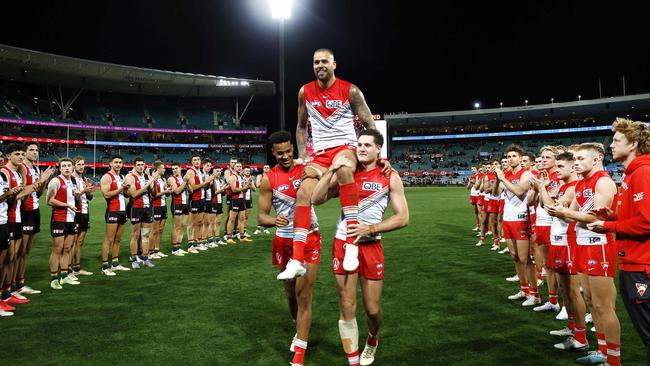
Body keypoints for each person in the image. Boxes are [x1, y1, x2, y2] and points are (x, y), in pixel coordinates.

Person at [278, 47, 382, 280]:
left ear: (334, 64)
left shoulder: (351, 90)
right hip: (320, 156)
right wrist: (304, 156)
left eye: (325, 61)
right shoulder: (305, 91)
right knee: (303, 192)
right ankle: (297, 260)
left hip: (345, 147)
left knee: (344, 167)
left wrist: (376, 155)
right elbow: (301, 126)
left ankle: (352, 244)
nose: (320, 66)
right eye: (316, 62)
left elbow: (369, 124)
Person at [311, 129, 409, 366]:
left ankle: (372, 338)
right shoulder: (347, 172)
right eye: (359, 144)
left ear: (378, 150)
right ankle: (353, 359)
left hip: (371, 245)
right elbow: (316, 198)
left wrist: (371, 229)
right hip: (343, 243)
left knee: (373, 309)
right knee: (346, 304)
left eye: (367, 145)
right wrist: (333, 169)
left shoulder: (390, 176)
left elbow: (403, 217)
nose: (362, 148)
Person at [547, 143, 620, 366]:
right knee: (590, 301)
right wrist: (560, 210)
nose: (576, 163)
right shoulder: (583, 183)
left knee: (603, 306)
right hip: (582, 244)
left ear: (596, 159)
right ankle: (602, 350)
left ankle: (614, 360)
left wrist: (566, 211)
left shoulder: (603, 181)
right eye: (575, 159)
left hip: (598, 246)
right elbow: (573, 217)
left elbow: (595, 218)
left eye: (580, 159)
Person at [588, 118, 650, 365]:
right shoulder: (632, 173)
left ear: (633, 143)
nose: (611, 145)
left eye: (616, 140)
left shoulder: (643, 172)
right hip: (633, 263)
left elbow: (646, 222)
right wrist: (615, 216)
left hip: (640, 267)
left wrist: (608, 225)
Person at [257, 131, 322, 366]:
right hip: (283, 241)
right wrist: (275, 221)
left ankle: (299, 354)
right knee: (290, 294)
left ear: (293, 148)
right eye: (279, 153)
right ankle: (300, 329)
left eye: (288, 151)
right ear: (273, 153)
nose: (285, 156)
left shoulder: (306, 169)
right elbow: (261, 217)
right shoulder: (268, 179)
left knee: (304, 294)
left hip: (309, 238)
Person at [530, 152, 588, 352]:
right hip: (558, 241)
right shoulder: (564, 187)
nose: (557, 170)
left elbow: (551, 208)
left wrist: (541, 188)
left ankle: (580, 336)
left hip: (567, 242)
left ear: (572, 168)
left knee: (573, 292)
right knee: (567, 292)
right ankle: (573, 327)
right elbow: (550, 207)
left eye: (561, 166)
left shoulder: (572, 187)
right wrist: (543, 189)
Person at [494, 144, 540, 306]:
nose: (510, 159)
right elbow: (496, 193)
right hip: (507, 218)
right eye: (508, 157)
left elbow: (520, 192)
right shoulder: (505, 174)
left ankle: (535, 294)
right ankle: (524, 289)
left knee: (524, 258)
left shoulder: (526, 173)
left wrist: (503, 179)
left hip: (521, 219)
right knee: (514, 257)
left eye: (514, 156)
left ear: (520, 158)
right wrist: (497, 178)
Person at [0, 144, 40, 307]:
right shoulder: (5, 172)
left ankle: (8, 292)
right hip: (8, 219)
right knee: (6, 259)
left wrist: (30, 187)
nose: (21, 157)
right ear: (9, 156)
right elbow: (10, 198)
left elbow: (18, 195)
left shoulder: (15, 172)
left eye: (22, 154)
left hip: (16, 217)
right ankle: (4, 294)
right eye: (17, 154)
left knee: (12, 257)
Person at [17, 143, 55, 295]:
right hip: (23, 212)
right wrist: (41, 179)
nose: (34, 152)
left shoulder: (34, 168)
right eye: (31, 150)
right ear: (25, 152)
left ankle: (20, 282)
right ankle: (14, 285)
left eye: (36, 150)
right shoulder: (22, 168)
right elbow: (23, 192)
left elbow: (38, 194)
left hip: (34, 210)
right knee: (19, 251)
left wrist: (44, 180)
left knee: (26, 250)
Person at [46, 158, 80, 289]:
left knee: (67, 248)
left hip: (72, 219)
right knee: (57, 249)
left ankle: (64, 276)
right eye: (64, 166)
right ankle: (54, 278)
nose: (67, 168)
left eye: (69, 166)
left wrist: (78, 195)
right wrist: (67, 205)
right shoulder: (55, 181)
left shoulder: (73, 181)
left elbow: (74, 198)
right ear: (60, 168)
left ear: (72, 168)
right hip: (59, 219)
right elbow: (49, 201)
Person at [100, 155, 131, 276]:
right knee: (109, 239)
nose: (118, 164)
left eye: (120, 162)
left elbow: (126, 195)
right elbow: (106, 194)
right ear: (110, 164)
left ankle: (115, 263)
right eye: (116, 162)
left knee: (118, 239)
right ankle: (104, 266)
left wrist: (126, 189)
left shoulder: (122, 177)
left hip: (123, 211)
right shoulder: (107, 177)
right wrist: (121, 188)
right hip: (113, 210)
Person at [0, 151, 23, 316]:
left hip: (4, 221)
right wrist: (10, 193)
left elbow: (9, 200)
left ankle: (4, 295)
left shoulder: (2, 176)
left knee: (6, 260)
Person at [124, 157, 158, 269]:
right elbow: (133, 194)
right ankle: (134, 259)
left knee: (146, 234)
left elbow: (153, 193)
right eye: (138, 164)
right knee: (135, 234)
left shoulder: (147, 176)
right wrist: (148, 183)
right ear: (134, 165)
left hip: (147, 208)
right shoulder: (130, 177)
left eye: (142, 164)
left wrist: (154, 181)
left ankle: (145, 258)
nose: (140, 166)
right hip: (136, 208)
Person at [71, 156, 95, 276]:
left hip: (85, 212)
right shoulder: (71, 179)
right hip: (75, 213)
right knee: (72, 243)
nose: (81, 166)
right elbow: (72, 198)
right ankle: (68, 270)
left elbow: (89, 198)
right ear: (74, 165)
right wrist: (85, 191)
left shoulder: (85, 179)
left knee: (80, 242)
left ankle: (77, 268)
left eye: (83, 164)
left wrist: (90, 191)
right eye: (79, 164)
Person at [225, 162, 252, 244]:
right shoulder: (232, 176)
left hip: (241, 199)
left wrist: (248, 183)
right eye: (237, 166)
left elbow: (245, 188)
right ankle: (229, 237)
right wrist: (244, 188)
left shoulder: (241, 177)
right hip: (235, 199)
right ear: (234, 167)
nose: (239, 168)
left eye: (240, 166)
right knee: (232, 219)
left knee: (242, 218)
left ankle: (242, 236)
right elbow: (234, 189)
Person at [167, 163, 189, 256]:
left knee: (182, 226)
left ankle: (178, 246)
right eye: (173, 169)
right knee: (176, 226)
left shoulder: (183, 178)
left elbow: (190, 190)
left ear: (181, 168)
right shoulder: (172, 179)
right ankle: (174, 248)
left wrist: (188, 184)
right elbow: (176, 191)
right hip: (177, 204)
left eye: (176, 168)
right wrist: (184, 183)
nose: (174, 170)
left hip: (184, 203)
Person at [151, 160, 172, 258]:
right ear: (157, 169)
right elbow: (154, 195)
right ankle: (150, 251)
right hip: (155, 206)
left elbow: (167, 195)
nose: (164, 169)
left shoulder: (163, 180)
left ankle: (157, 250)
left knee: (160, 229)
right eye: (163, 168)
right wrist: (165, 192)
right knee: (154, 230)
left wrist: (168, 190)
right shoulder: (152, 179)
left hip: (163, 206)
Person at [253, 165, 271, 235]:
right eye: (265, 168)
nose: (266, 169)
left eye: (267, 168)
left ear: (269, 169)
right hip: (262, 196)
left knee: (267, 212)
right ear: (263, 169)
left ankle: (266, 228)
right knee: (260, 212)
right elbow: (257, 185)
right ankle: (258, 228)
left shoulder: (272, 176)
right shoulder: (259, 176)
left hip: (270, 195)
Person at [242, 166, 256, 238]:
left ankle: (244, 231)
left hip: (248, 199)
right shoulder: (241, 178)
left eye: (248, 171)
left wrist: (250, 183)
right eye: (246, 170)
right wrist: (248, 182)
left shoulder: (251, 179)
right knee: (241, 217)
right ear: (243, 171)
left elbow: (254, 189)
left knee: (246, 216)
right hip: (242, 199)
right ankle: (239, 232)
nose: (247, 172)